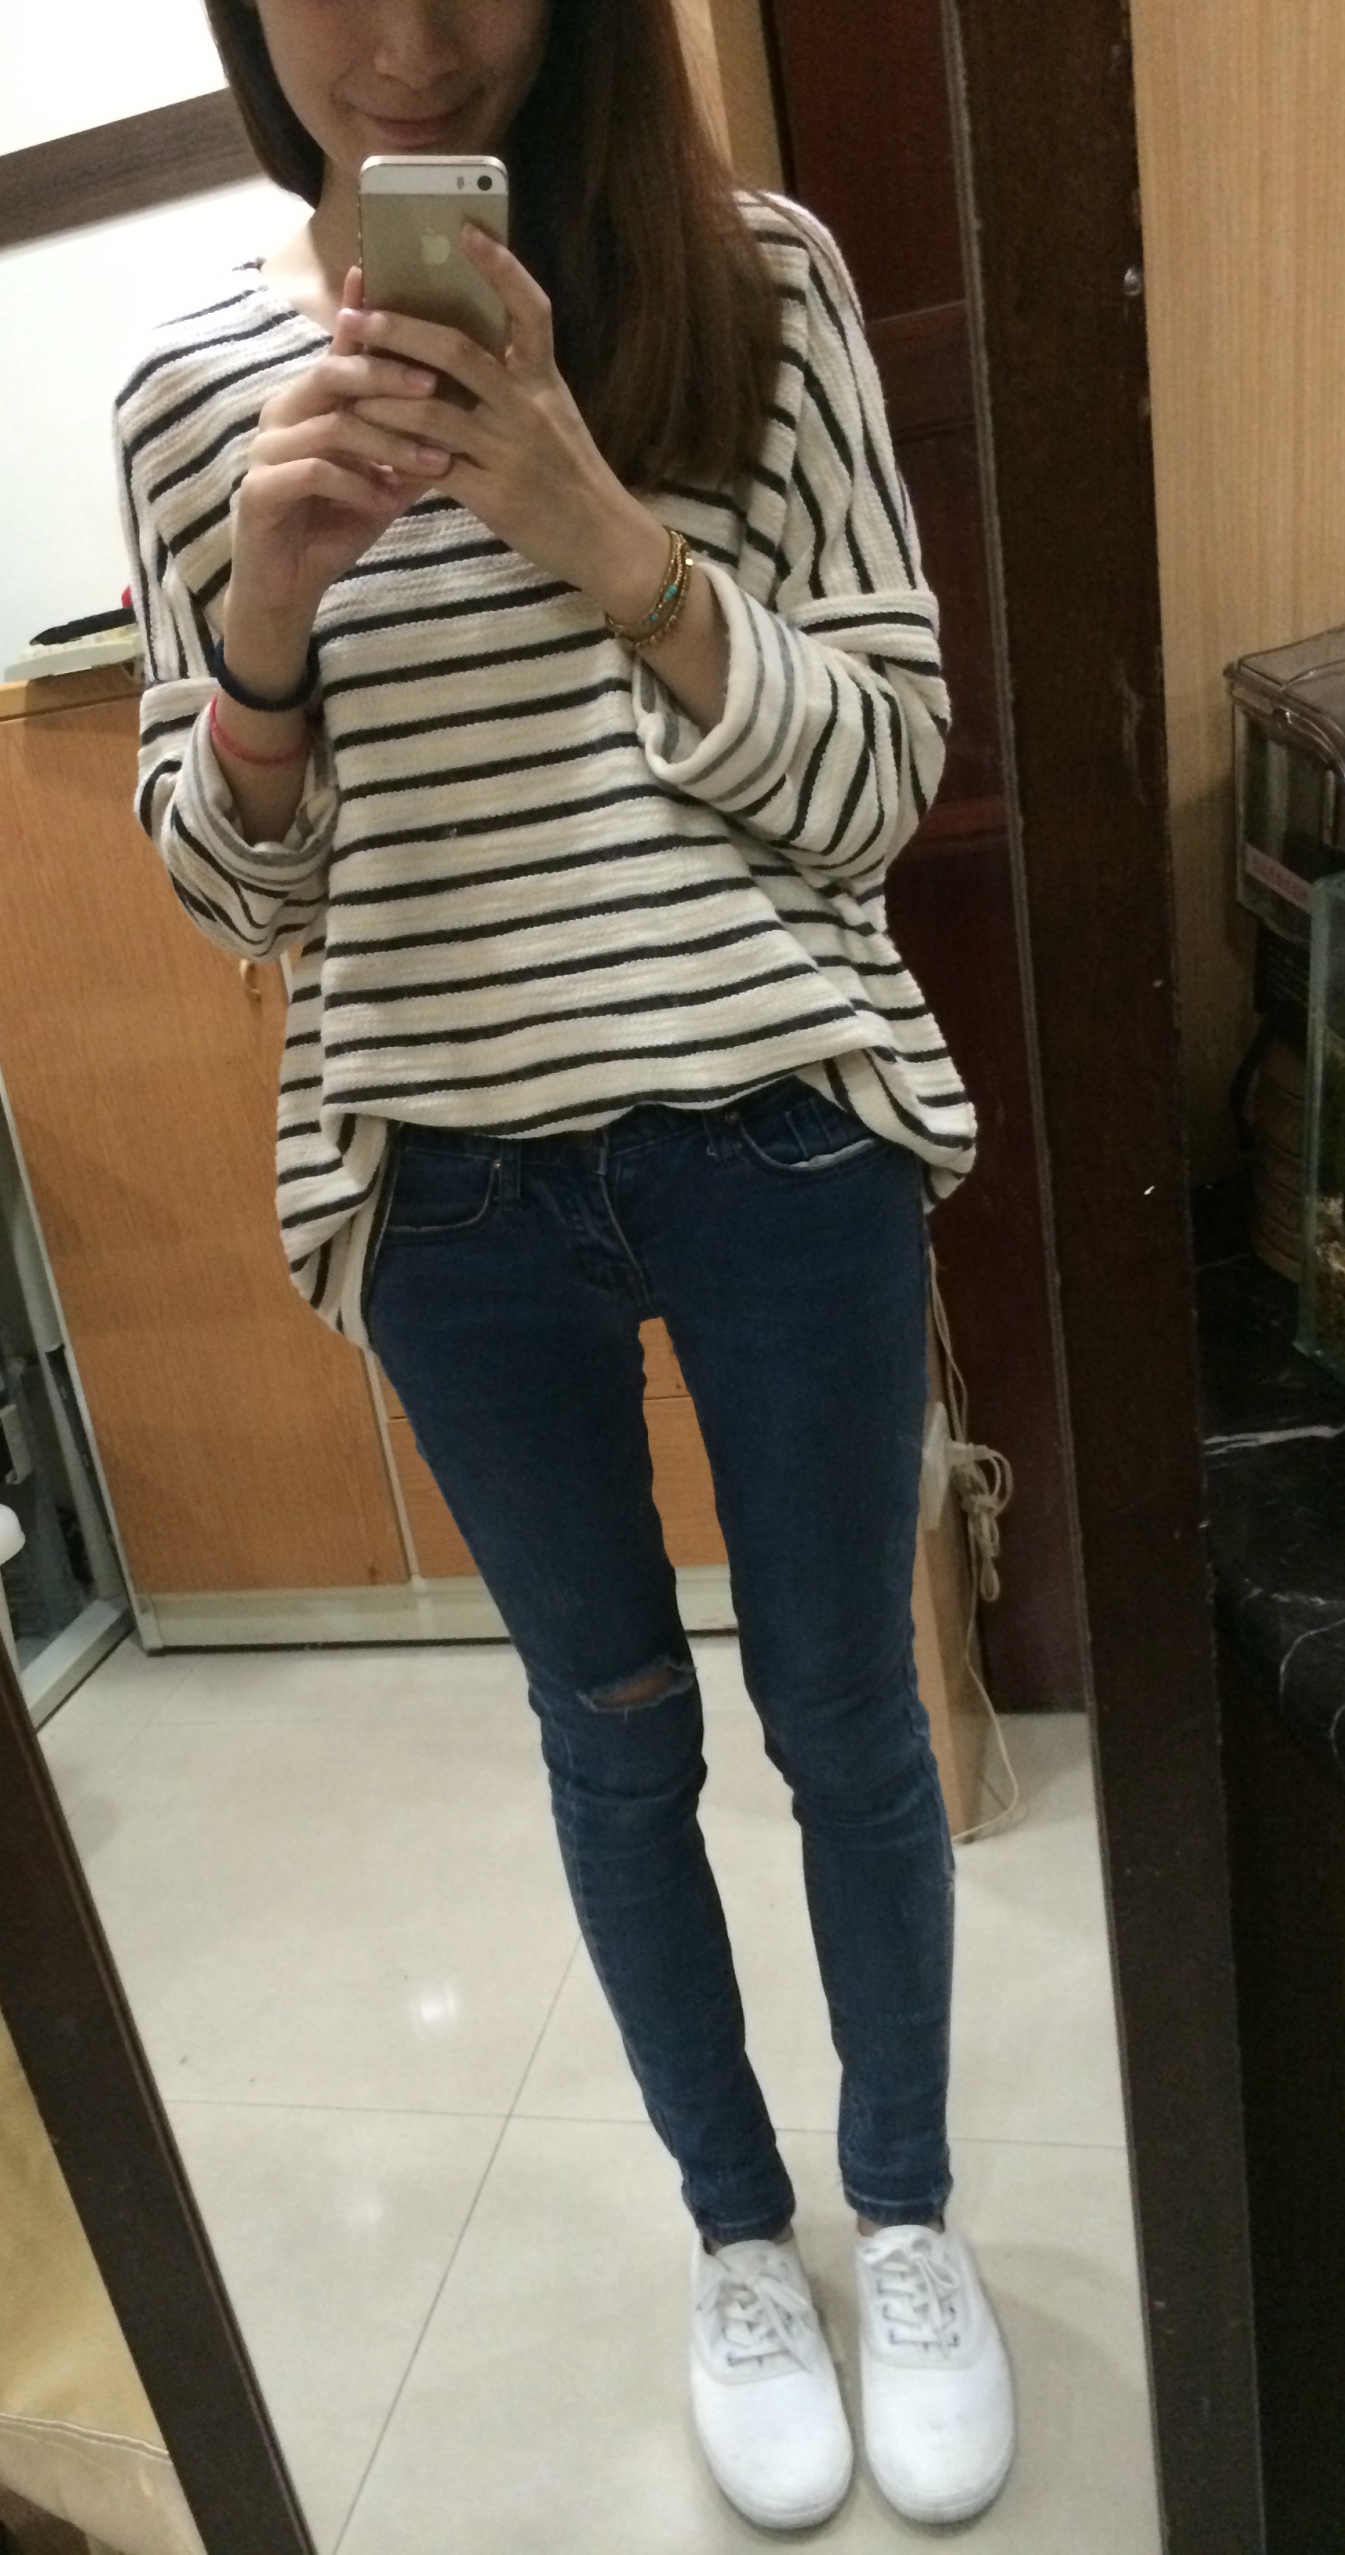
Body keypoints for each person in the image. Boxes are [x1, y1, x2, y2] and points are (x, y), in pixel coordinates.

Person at [115, 0, 1015, 2530]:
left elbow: (880, 784)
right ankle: (740, 2237)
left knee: (849, 1719)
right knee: (612, 1737)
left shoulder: (760, 286)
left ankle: (904, 2216)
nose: (406, 42)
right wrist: (266, 624)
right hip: (452, 1187)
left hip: (777, 1133)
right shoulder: (189, 394)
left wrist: (607, 534)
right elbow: (231, 896)